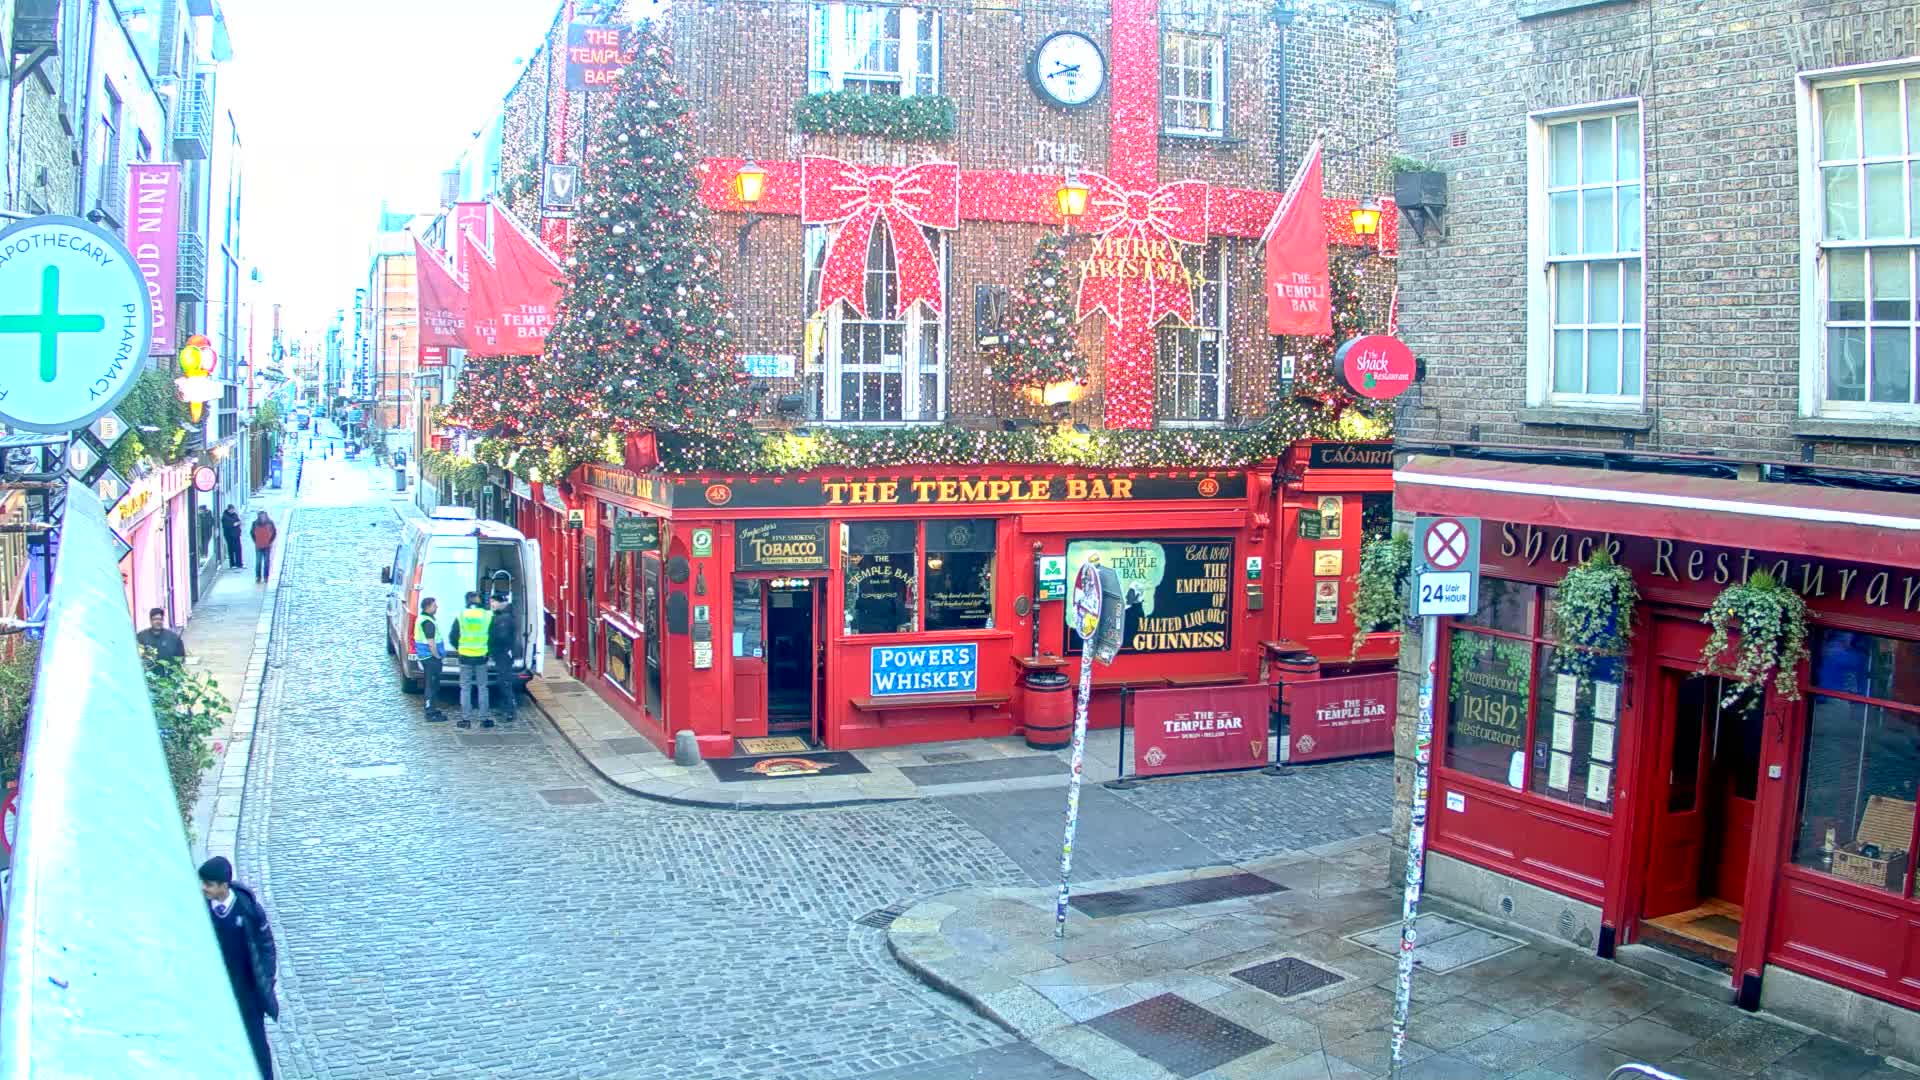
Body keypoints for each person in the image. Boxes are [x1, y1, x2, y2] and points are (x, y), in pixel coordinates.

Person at [198, 856, 279, 1079]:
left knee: (256, 1044)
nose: (204, 888)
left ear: (224, 885)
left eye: (209, 884)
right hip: (216, 992)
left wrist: (266, 979)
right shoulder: (200, 911)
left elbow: (266, 946)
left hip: (247, 992)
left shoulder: (248, 909)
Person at [447, 591, 493, 728]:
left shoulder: (461, 615)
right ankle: (484, 719)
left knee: (465, 688)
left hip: (465, 656)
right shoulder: (487, 615)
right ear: (478, 600)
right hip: (481, 656)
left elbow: (453, 636)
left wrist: (460, 648)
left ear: (467, 601)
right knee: (482, 687)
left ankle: (466, 719)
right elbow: (492, 636)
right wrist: (487, 650)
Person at [414, 597, 447, 721]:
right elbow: (431, 642)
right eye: (435, 605)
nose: (437, 607)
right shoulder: (427, 622)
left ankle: (432, 708)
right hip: (430, 657)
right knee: (431, 684)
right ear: (428, 607)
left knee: (432, 684)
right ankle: (430, 712)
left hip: (426, 656)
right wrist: (437, 655)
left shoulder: (423, 619)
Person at [487, 594, 517, 722]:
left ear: (501, 602)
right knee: (502, 681)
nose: (491, 604)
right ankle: (505, 708)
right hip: (502, 653)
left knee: (505, 682)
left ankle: (509, 710)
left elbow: (502, 637)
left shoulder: (504, 617)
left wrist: (490, 643)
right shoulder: (502, 615)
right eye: (491, 602)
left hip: (503, 653)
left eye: (493, 602)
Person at [251, 511, 277, 583]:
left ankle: (266, 577)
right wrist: (256, 541)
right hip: (258, 546)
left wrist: (270, 541)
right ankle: (258, 577)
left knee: (266, 562)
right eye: (261, 516)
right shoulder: (255, 523)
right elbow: (252, 533)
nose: (263, 518)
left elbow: (274, 532)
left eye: (264, 516)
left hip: (267, 546)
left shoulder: (270, 523)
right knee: (258, 562)